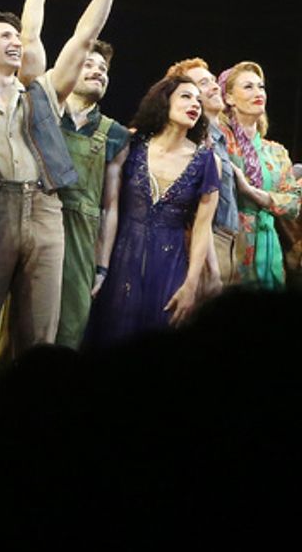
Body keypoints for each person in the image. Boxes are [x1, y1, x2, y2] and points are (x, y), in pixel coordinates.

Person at [0, 0, 126, 394]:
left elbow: (83, 36)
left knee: (39, 344)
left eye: (19, 36)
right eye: (5, 37)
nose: (18, 42)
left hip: (45, 211)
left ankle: (27, 448)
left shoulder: (44, 92)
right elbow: (33, 35)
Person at [88, 76, 219, 346]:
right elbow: (109, 206)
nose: (195, 103)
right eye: (185, 96)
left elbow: (202, 228)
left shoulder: (207, 160)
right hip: (122, 258)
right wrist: (101, 266)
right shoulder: (132, 144)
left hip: (171, 266)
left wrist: (191, 284)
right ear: (164, 100)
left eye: (198, 99)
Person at [55, 40, 129, 349]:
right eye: (89, 64)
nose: (98, 72)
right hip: (39, 220)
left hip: (81, 241)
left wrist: (101, 265)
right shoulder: (45, 113)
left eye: (104, 69)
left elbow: (109, 206)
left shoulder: (114, 133)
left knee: (70, 329)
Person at [215, 61, 301, 290]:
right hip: (229, 242)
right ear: (229, 98)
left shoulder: (276, 151)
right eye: (248, 87)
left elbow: (293, 203)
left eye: (261, 87)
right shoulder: (220, 142)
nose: (258, 93)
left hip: (268, 243)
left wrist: (250, 191)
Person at [162, 57, 240, 291]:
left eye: (214, 81)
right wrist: (211, 267)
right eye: (204, 83)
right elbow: (197, 211)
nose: (215, 86)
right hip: (208, 245)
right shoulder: (198, 143)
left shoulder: (219, 138)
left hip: (229, 242)